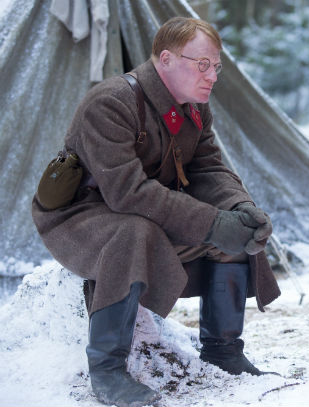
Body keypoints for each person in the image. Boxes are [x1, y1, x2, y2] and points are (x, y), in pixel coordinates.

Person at [32, 17, 280, 407]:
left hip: (142, 213)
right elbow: (127, 192)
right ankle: (108, 371)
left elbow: (208, 169)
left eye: (216, 66)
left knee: (234, 231)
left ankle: (223, 352)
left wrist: (239, 209)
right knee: (136, 233)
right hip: (79, 218)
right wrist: (212, 223)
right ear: (166, 59)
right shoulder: (110, 102)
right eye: (202, 64)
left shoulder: (194, 107)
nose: (212, 76)